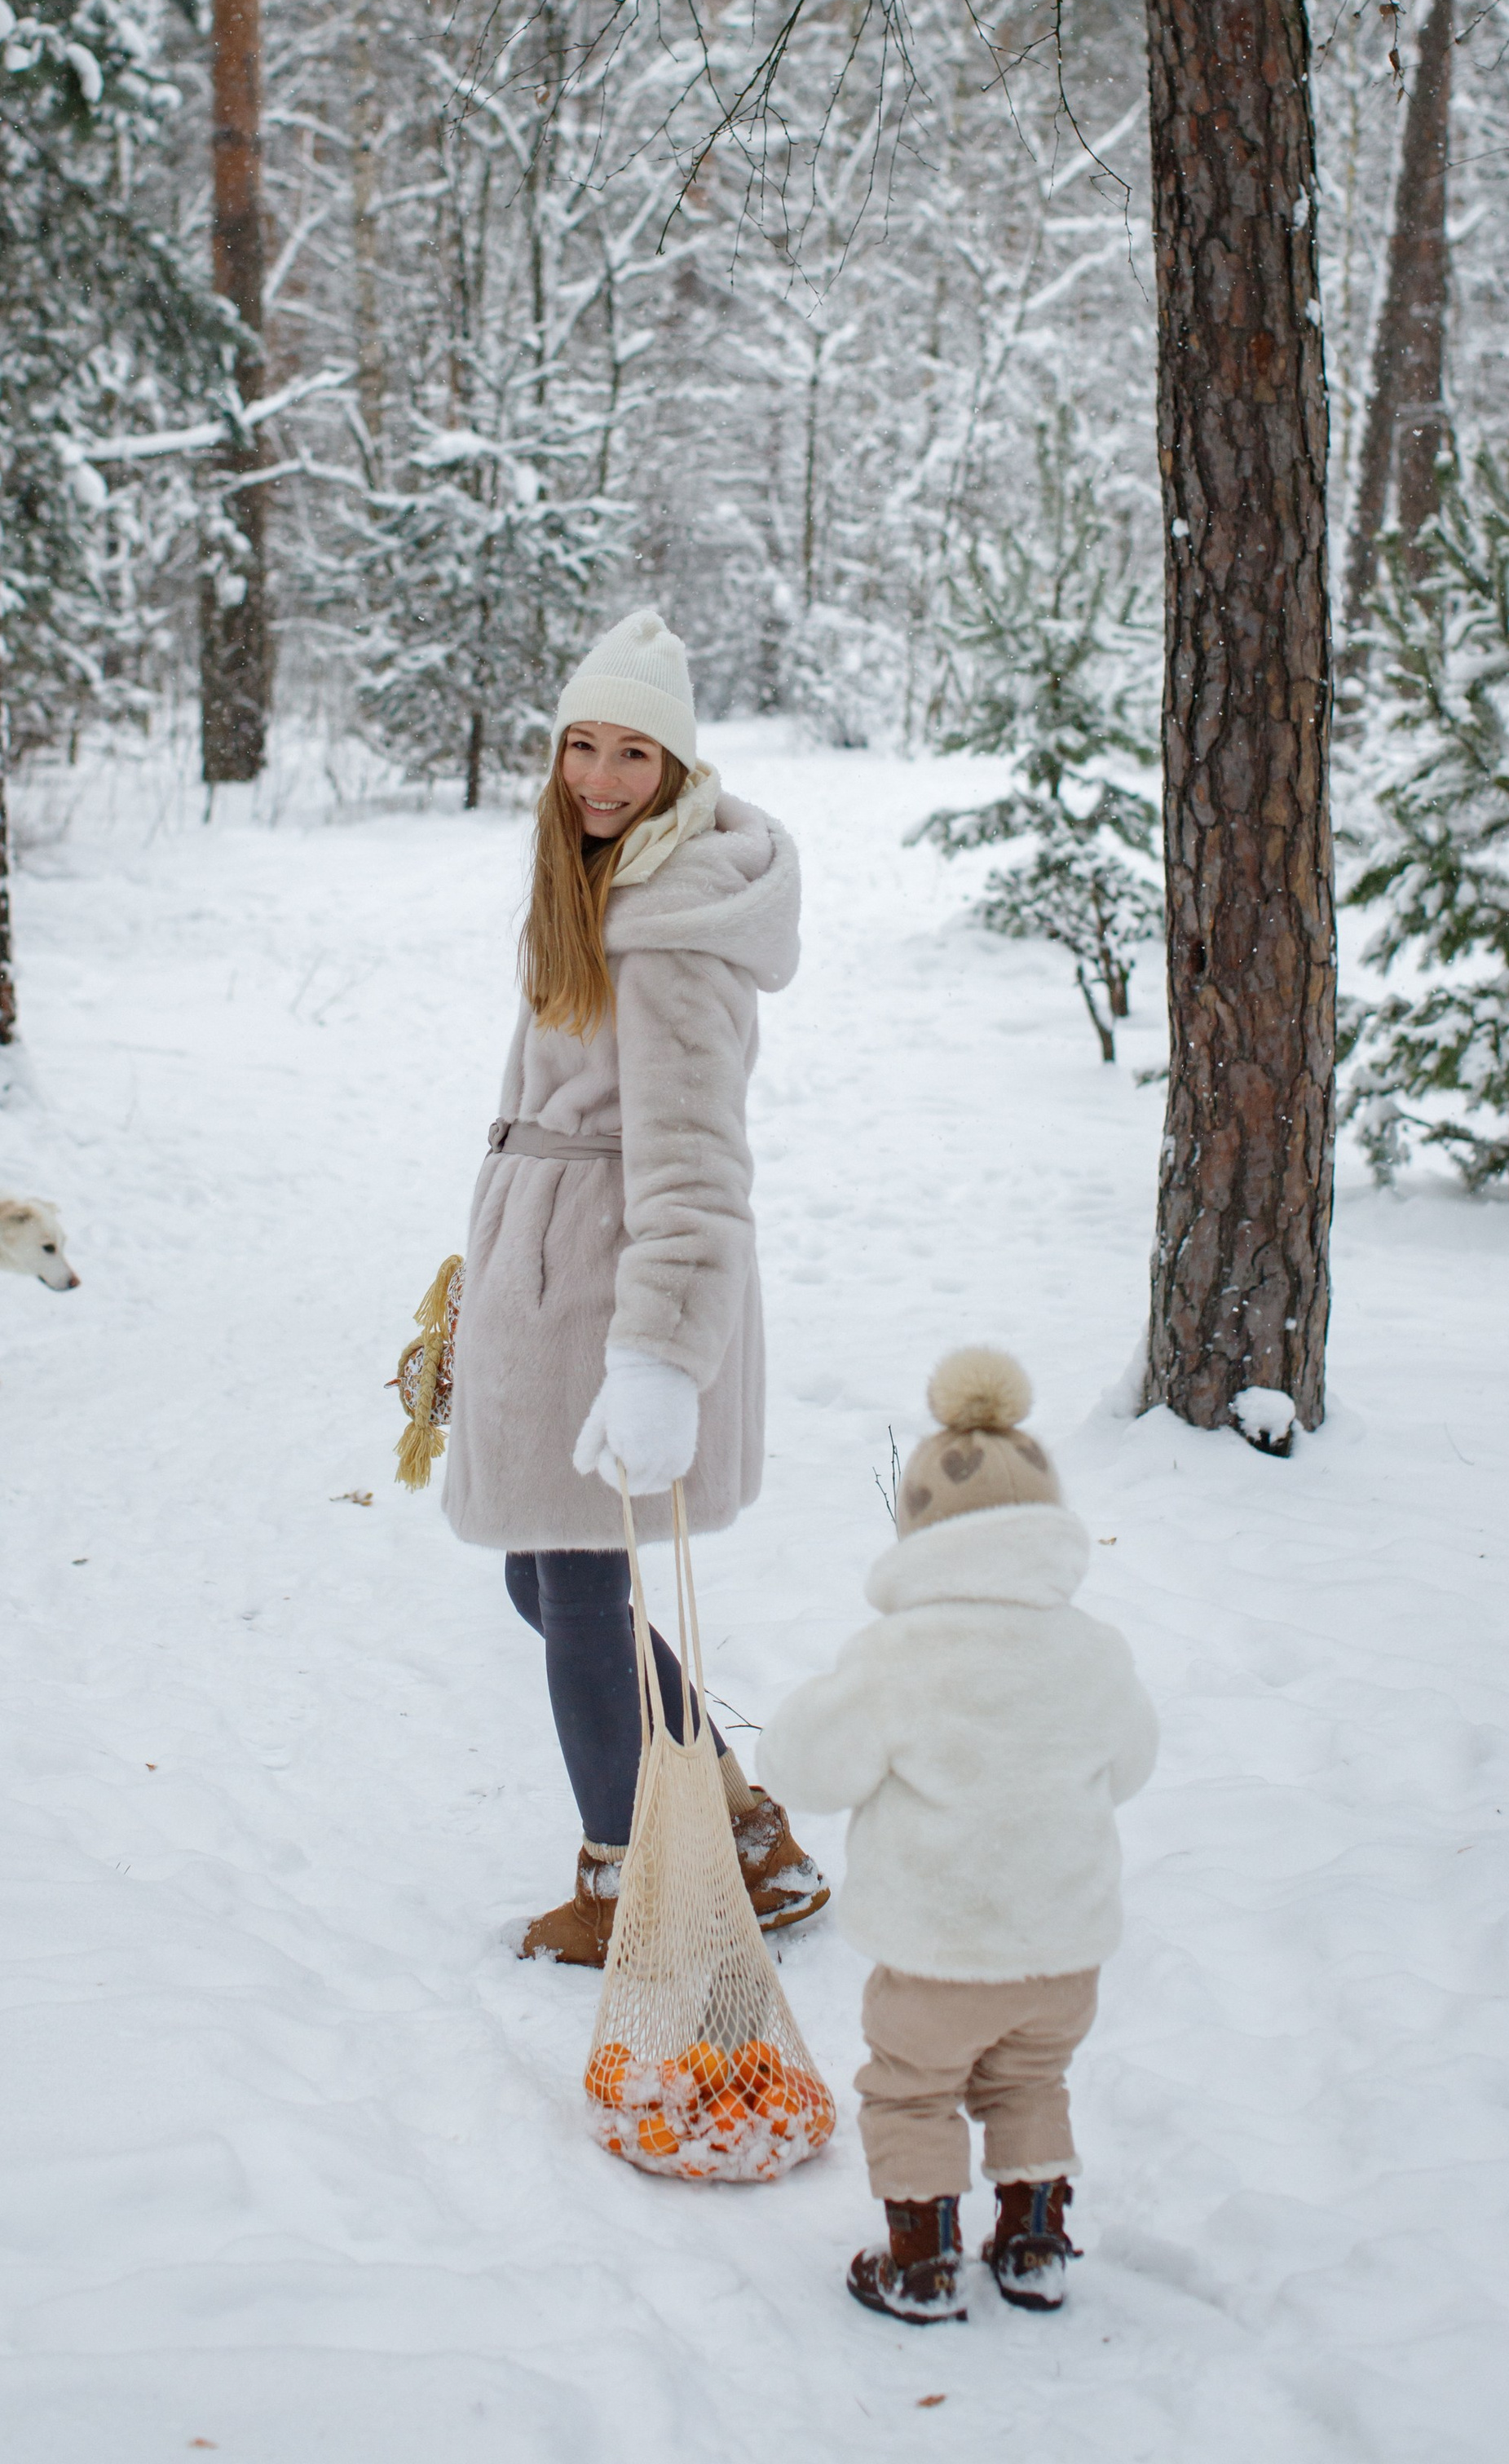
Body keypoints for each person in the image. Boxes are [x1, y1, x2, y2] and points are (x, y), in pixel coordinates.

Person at [442, 607, 827, 1965]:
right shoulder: (598, 879)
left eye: (633, 756)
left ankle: (631, 1889)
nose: (600, 779)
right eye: (580, 747)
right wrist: (476, 1279)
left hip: (613, 1297)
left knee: (576, 1593)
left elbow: (698, 1169)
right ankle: (744, 1835)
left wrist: (659, 1357)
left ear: (677, 768)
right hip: (549, 1283)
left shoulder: (667, 928)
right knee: (549, 1587)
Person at [759, 1346, 1158, 2323]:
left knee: (912, 2093)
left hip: (937, 1957)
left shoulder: (897, 1655)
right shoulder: (1093, 1650)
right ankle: (1032, 2243)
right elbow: (1131, 1765)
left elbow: (803, 1767)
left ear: (923, 1529)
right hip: (1061, 1955)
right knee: (1030, 2083)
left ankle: (922, 2264)